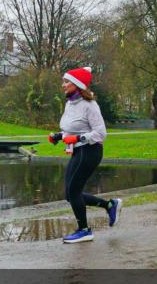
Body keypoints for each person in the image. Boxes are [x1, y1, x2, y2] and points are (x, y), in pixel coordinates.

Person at [48, 66, 121, 244]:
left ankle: (84, 230)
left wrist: (78, 137)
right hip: (78, 151)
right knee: (69, 194)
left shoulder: (90, 105)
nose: (63, 85)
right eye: (64, 81)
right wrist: (58, 136)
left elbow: (101, 133)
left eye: (67, 82)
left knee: (73, 192)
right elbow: (70, 129)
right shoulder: (69, 104)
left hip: (90, 151)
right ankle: (109, 205)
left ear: (77, 85)